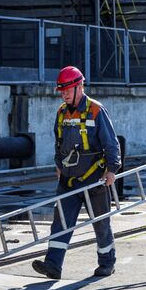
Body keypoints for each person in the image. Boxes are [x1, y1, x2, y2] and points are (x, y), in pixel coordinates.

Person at [32, 66, 121, 279]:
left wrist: (111, 169)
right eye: (61, 90)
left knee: (101, 222)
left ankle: (107, 263)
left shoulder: (96, 110)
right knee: (61, 222)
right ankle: (53, 265)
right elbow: (58, 142)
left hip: (94, 178)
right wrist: (58, 164)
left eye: (66, 89)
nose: (63, 93)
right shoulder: (62, 112)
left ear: (79, 87)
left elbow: (111, 143)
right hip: (69, 180)